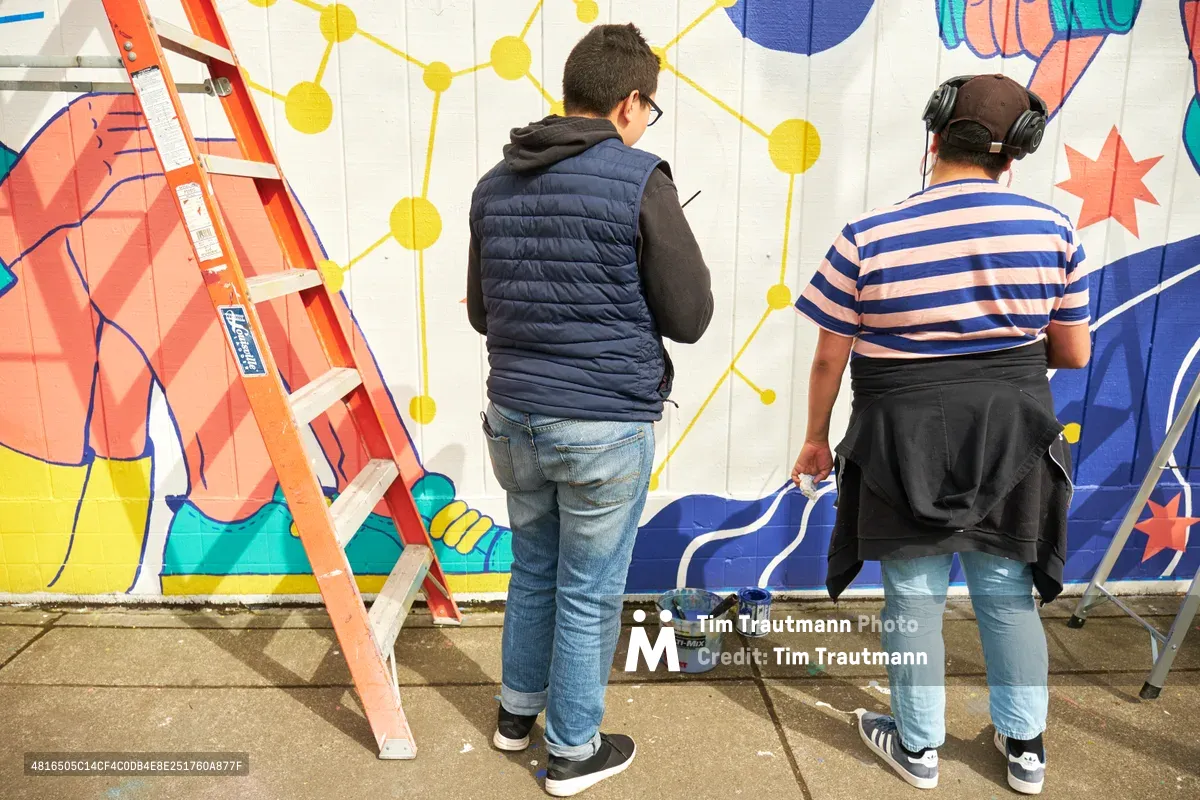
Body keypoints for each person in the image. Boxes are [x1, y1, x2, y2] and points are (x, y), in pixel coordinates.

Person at [791, 74, 1091, 795]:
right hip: (1012, 436)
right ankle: (1025, 751)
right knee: (1006, 593)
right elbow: (1074, 351)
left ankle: (918, 748)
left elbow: (832, 352)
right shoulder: (1053, 231)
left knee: (913, 599)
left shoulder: (869, 235)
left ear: (933, 141)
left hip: (901, 437)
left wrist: (814, 437)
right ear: (1013, 157)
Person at [466, 23, 713, 798]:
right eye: (652, 109)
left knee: (535, 568)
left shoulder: (495, 181)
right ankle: (573, 751)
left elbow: (481, 312)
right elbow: (691, 314)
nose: (649, 123)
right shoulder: (639, 179)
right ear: (630, 102)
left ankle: (516, 715)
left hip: (515, 417)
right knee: (588, 588)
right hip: (603, 422)